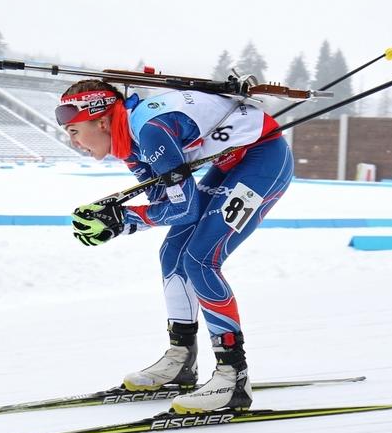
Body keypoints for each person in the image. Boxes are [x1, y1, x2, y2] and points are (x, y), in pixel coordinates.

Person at [58, 80, 294, 414]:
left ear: (101, 120)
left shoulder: (151, 131)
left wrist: (124, 219)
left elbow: (185, 208)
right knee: (173, 254)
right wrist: (120, 220)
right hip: (233, 163)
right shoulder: (130, 145)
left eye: (74, 130)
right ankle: (181, 360)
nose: (74, 142)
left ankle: (233, 377)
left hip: (262, 160)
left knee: (200, 259)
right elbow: (169, 204)